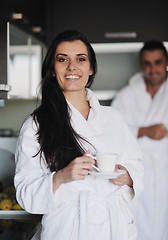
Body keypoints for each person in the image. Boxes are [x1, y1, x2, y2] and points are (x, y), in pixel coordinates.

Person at [14, 29, 143, 240]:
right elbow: (26, 194)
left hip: (116, 227)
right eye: (62, 59)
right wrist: (61, 177)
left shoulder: (113, 118)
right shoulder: (36, 125)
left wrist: (129, 177)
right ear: (52, 69)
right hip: (69, 229)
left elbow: (137, 164)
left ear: (91, 68)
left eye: (80, 59)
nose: (72, 66)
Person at [112, 40, 168, 240]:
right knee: (137, 222)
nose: (153, 69)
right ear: (141, 65)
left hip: (165, 170)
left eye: (158, 62)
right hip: (137, 171)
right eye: (147, 63)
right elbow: (112, 130)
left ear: (166, 62)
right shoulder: (128, 95)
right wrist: (145, 130)